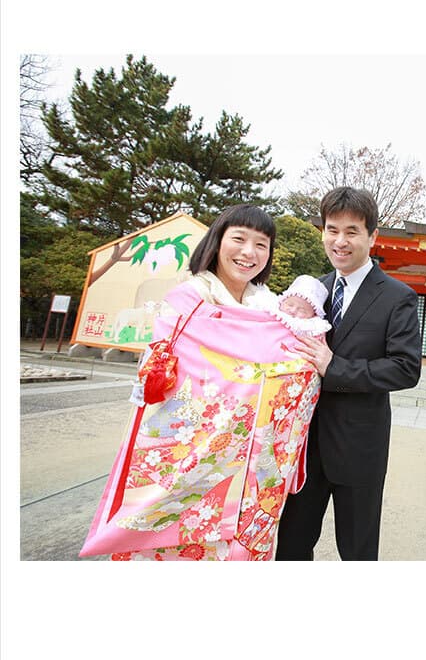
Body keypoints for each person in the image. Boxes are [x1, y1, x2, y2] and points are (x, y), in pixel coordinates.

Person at [80, 204, 327, 561]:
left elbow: (294, 368)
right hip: (196, 449)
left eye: (262, 244)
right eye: (239, 239)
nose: (249, 252)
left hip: (251, 470)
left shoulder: (269, 307)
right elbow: (176, 368)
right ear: (217, 241)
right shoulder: (188, 299)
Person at [276, 186, 422, 561]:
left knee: (357, 551)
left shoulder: (396, 296)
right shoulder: (314, 290)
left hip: (360, 448)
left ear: (373, 236)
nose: (339, 241)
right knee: (291, 544)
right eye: (331, 230)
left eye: (351, 231)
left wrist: (333, 366)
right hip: (305, 445)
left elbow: (406, 369)